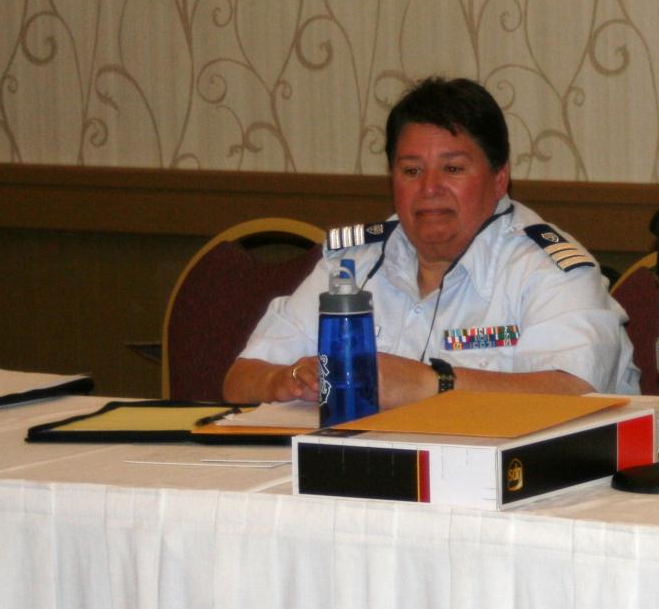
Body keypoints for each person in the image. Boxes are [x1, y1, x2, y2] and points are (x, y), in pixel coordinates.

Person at [225, 77, 638, 406]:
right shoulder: (352, 263)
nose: (429, 188)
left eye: (452, 169)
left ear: (499, 178)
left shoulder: (550, 269)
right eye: (411, 171)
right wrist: (285, 379)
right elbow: (239, 380)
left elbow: (574, 394)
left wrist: (432, 384)